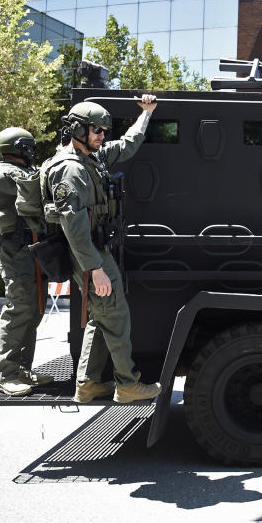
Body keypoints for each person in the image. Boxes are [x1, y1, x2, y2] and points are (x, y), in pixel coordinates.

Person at [41, 96, 162, 404]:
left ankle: (88, 383)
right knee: (116, 313)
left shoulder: (90, 159)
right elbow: (74, 226)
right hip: (87, 253)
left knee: (101, 314)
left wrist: (146, 114)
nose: (102, 136)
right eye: (96, 130)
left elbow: (127, 145)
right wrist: (95, 269)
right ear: (78, 130)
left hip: (93, 249)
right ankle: (127, 384)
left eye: (104, 131)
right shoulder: (70, 170)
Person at [0, 127, 53, 396]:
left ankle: (23, 368)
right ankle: (5, 374)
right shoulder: (3, 174)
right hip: (16, 251)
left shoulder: (19, 171)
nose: (31, 150)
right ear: (17, 147)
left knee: (34, 309)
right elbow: (37, 192)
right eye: (27, 146)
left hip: (29, 249)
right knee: (19, 309)